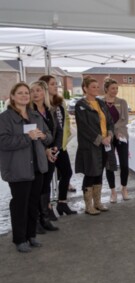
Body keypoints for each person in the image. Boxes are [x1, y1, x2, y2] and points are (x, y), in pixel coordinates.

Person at [0, 82, 53, 252]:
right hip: (18, 168)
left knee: (33, 204)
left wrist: (43, 136)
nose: (24, 96)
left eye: (26, 93)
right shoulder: (5, 118)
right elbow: (3, 141)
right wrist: (27, 137)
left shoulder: (36, 116)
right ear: (13, 96)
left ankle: (31, 235)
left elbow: (49, 137)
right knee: (20, 205)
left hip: (37, 166)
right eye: (20, 93)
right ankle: (19, 239)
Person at [74, 76, 115, 215]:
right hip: (91, 146)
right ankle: (88, 206)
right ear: (85, 88)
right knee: (90, 174)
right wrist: (100, 139)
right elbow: (84, 128)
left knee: (99, 172)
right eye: (93, 87)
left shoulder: (101, 103)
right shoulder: (80, 105)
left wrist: (109, 135)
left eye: (97, 87)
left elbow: (109, 121)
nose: (96, 89)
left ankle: (97, 202)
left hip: (105, 144)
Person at [39, 75, 77, 215]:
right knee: (47, 178)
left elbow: (64, 123)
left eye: (57, 84)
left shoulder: (60, 103)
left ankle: (62, 203)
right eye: (53, 84)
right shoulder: (41, 105)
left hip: (61, 145)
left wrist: (63, 141)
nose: (56, 86)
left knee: (67, 172)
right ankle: (47, 208)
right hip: (47, 147)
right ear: (45, 86)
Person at [30, 81, 60, 232]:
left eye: (39, 90)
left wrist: (55, 148)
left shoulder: (51, 110)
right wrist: (46, 149)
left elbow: (57, 130)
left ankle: (45, 218)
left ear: (44, 93)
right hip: (37, 154)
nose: (35, 93)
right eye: (33, 90)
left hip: (51, 152)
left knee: (46, 184)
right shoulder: (28, 111)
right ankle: (35, 220)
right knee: (36, 187)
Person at [103, 78, 130, 203]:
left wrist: (115, 131)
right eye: (113, 88)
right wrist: (110, 133)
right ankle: (113, 192)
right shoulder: (101, 103)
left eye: (117, 88)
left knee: (124, 164)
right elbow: (101, 121)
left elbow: (124, 120)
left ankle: (124, 188)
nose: (115, 90)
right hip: (107, 138)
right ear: (107, 89)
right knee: (110, 165)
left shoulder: (122, 102)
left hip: (121, 135)